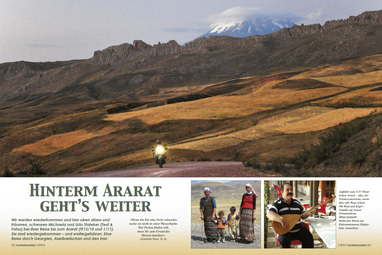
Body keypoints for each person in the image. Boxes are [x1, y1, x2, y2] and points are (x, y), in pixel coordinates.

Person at [267, 183, 315, 248]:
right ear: (282, 192)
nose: (290, 191)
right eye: (287, 190)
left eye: (291, 189)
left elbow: (302, 215)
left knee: (309, 237)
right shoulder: (278, 203)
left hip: (298, 230)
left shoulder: (297, 203)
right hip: (285, 232)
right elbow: (269, 214)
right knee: (284, 241)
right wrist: (281, 219)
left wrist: (309, 213)